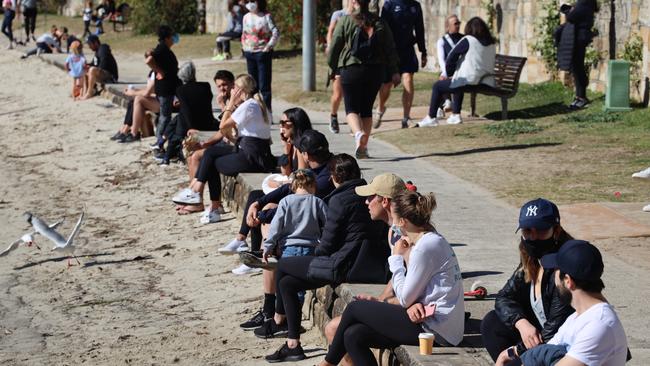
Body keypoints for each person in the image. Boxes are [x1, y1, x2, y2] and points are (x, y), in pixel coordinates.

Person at [260, 154, 387, 362]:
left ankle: (278, 318)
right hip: (369, 263)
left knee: (284, 264)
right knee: (288, 283)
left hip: (346, 264)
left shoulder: (339, 199)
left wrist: (314, 256)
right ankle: (293, 343)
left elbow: (327, 245)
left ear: (335, 177)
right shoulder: (370, 195)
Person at [319, 190, 465, 366]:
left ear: (402, 221)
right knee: (353, 335)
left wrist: (396, 258)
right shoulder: (431, 240)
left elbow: (404, 298)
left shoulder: (423, 248)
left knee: (354, 308)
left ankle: (328, 363)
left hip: (436, 329)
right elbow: (415, 293)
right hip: (434, 323)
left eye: (394, 217)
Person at [323, 172, 409, 366]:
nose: (366, 202)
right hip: (403, 305)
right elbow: (397, 276)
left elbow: (414, 288)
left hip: (414, 314)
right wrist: (380, 299)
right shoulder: (392, 232)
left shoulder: (405, 235)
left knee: (337, 328)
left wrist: (384, 303)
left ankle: (327, 363)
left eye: (371, 197)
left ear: (385, 201)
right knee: (342, 330)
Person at [498, 240, 629, 366]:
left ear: (567, 280)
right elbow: (540, 351)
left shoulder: (599, 324)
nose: (553, 277)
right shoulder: (577, 317)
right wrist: (510, 354)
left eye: (555, 271)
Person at [173, 74, 276, 224]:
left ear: (240, 90)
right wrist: (207, 144)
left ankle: (206, 200)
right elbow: (233, 134)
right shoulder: (258, 104)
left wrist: (230, 103)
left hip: (251, 157)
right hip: (256, 153)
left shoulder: (249, 105)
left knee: (212, 163)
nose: (232, 90)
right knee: (210, 153)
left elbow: (222, 125)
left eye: (234, 88)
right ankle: (199, 193)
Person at [481, 198, 575, 362]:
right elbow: (504, 297)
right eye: (527, 231)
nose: (533, 237)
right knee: (492, 322)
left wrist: (512, 352)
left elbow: (555, 331)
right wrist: (521, 322)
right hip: (542, 337)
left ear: (556, 230)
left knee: (510, 360)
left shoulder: (565, 266)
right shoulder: (531, 258)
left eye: (541, 230)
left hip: (565, 345)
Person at [328, 0, 399, 159]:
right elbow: (390, 48)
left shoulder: (346, 21)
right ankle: (363, 148)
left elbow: (334, 46)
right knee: (367, 109)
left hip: (350, 68)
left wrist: (332, 67)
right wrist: (394, 70)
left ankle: (358, 134)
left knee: (351, 108)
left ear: (353, 2)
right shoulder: (379, 22)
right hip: (375, 71)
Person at [417, 16, 496, 127]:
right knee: (457, 81)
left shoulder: (467, 40)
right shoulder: (492, 43)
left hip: (470, 82)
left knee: (438, 86)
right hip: (487, 83)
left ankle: (431, 117)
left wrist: (449, 73)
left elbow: (451, 57)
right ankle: (455, 115)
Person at [179, 70, 235, 198]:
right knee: (190, 151)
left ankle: (195, 196)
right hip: (226, 138)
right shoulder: (228, 98)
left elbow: (225, 126)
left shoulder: (235, 100)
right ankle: (192, 193)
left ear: (233, 83)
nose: (222, 88)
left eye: (225, 85)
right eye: (219, 86)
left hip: (233, 142)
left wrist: (222, 105)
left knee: (198, 156)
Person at [375, 0, 427, 129]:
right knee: (387, 85)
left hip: (407, 50)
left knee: (408, 79)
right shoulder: (389, 5)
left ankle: (406, 118)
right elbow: (382, 28)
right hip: (391, 51)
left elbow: (419, 29)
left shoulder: (415, 6)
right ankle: (380, 108)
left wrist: (423, 51)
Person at [556, 0, 598, 110]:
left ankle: (582, 97)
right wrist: (570, 10)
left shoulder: (585, 2)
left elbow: (572, 17)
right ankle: (579, 96)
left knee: (578, 67)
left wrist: (569, 11)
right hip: (577, 37)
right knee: (576, 68)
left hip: (579, 38)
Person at [146, 26, 180, 150]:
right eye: (172, 36)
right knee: (165, 116)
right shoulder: (161, 49)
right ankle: (158, 141)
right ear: (167, 38)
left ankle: (160, 140)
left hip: (168, 87)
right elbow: (149, 60)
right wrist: (159, 70)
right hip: (165, 88)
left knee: (165, 115)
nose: (173, 39)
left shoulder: (164, 49)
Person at [241, 0, 279, 113]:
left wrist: (268, 47)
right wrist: (243, 46)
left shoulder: (266, 16)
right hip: (249, 52)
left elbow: (275, 32)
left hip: (262, 53)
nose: (250, 4)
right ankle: (255, 112)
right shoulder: (246, 17)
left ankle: (267, 112)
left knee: (264, 85)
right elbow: (244, 33)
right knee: (252, 85)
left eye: (253, 1)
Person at [325, 0, 354, 134]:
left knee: (354, 93)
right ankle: (333, 116)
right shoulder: (339, 14)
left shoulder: (362, 16)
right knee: (338, 93)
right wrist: (331, 47)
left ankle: (354, 121)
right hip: (339, 59)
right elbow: (330, 31)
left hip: (354, 60)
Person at [435, 14, 463, 119]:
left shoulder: (463, 38)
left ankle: (443, 105)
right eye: (455, 23)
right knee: (442, 77)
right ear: (448, 26)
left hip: (461, 70)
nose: (458, 25)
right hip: (448, 70)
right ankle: (446, 102)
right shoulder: (442, 41)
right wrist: (446, 73)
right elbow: (442, 60)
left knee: (442, 80)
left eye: (458, 23)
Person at [82, 34, 118, 99]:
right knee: (86, 69)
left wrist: (92, 69)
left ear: (95, 42)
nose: (89, 46)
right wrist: (87, 65)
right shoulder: (97, 52)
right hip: (104, 74)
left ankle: (89, 94)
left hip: (111, 77)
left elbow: (103, 64)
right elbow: (94, 64)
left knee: (92, 70)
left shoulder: (103, 49)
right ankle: (85, 93)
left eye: (90, 44)